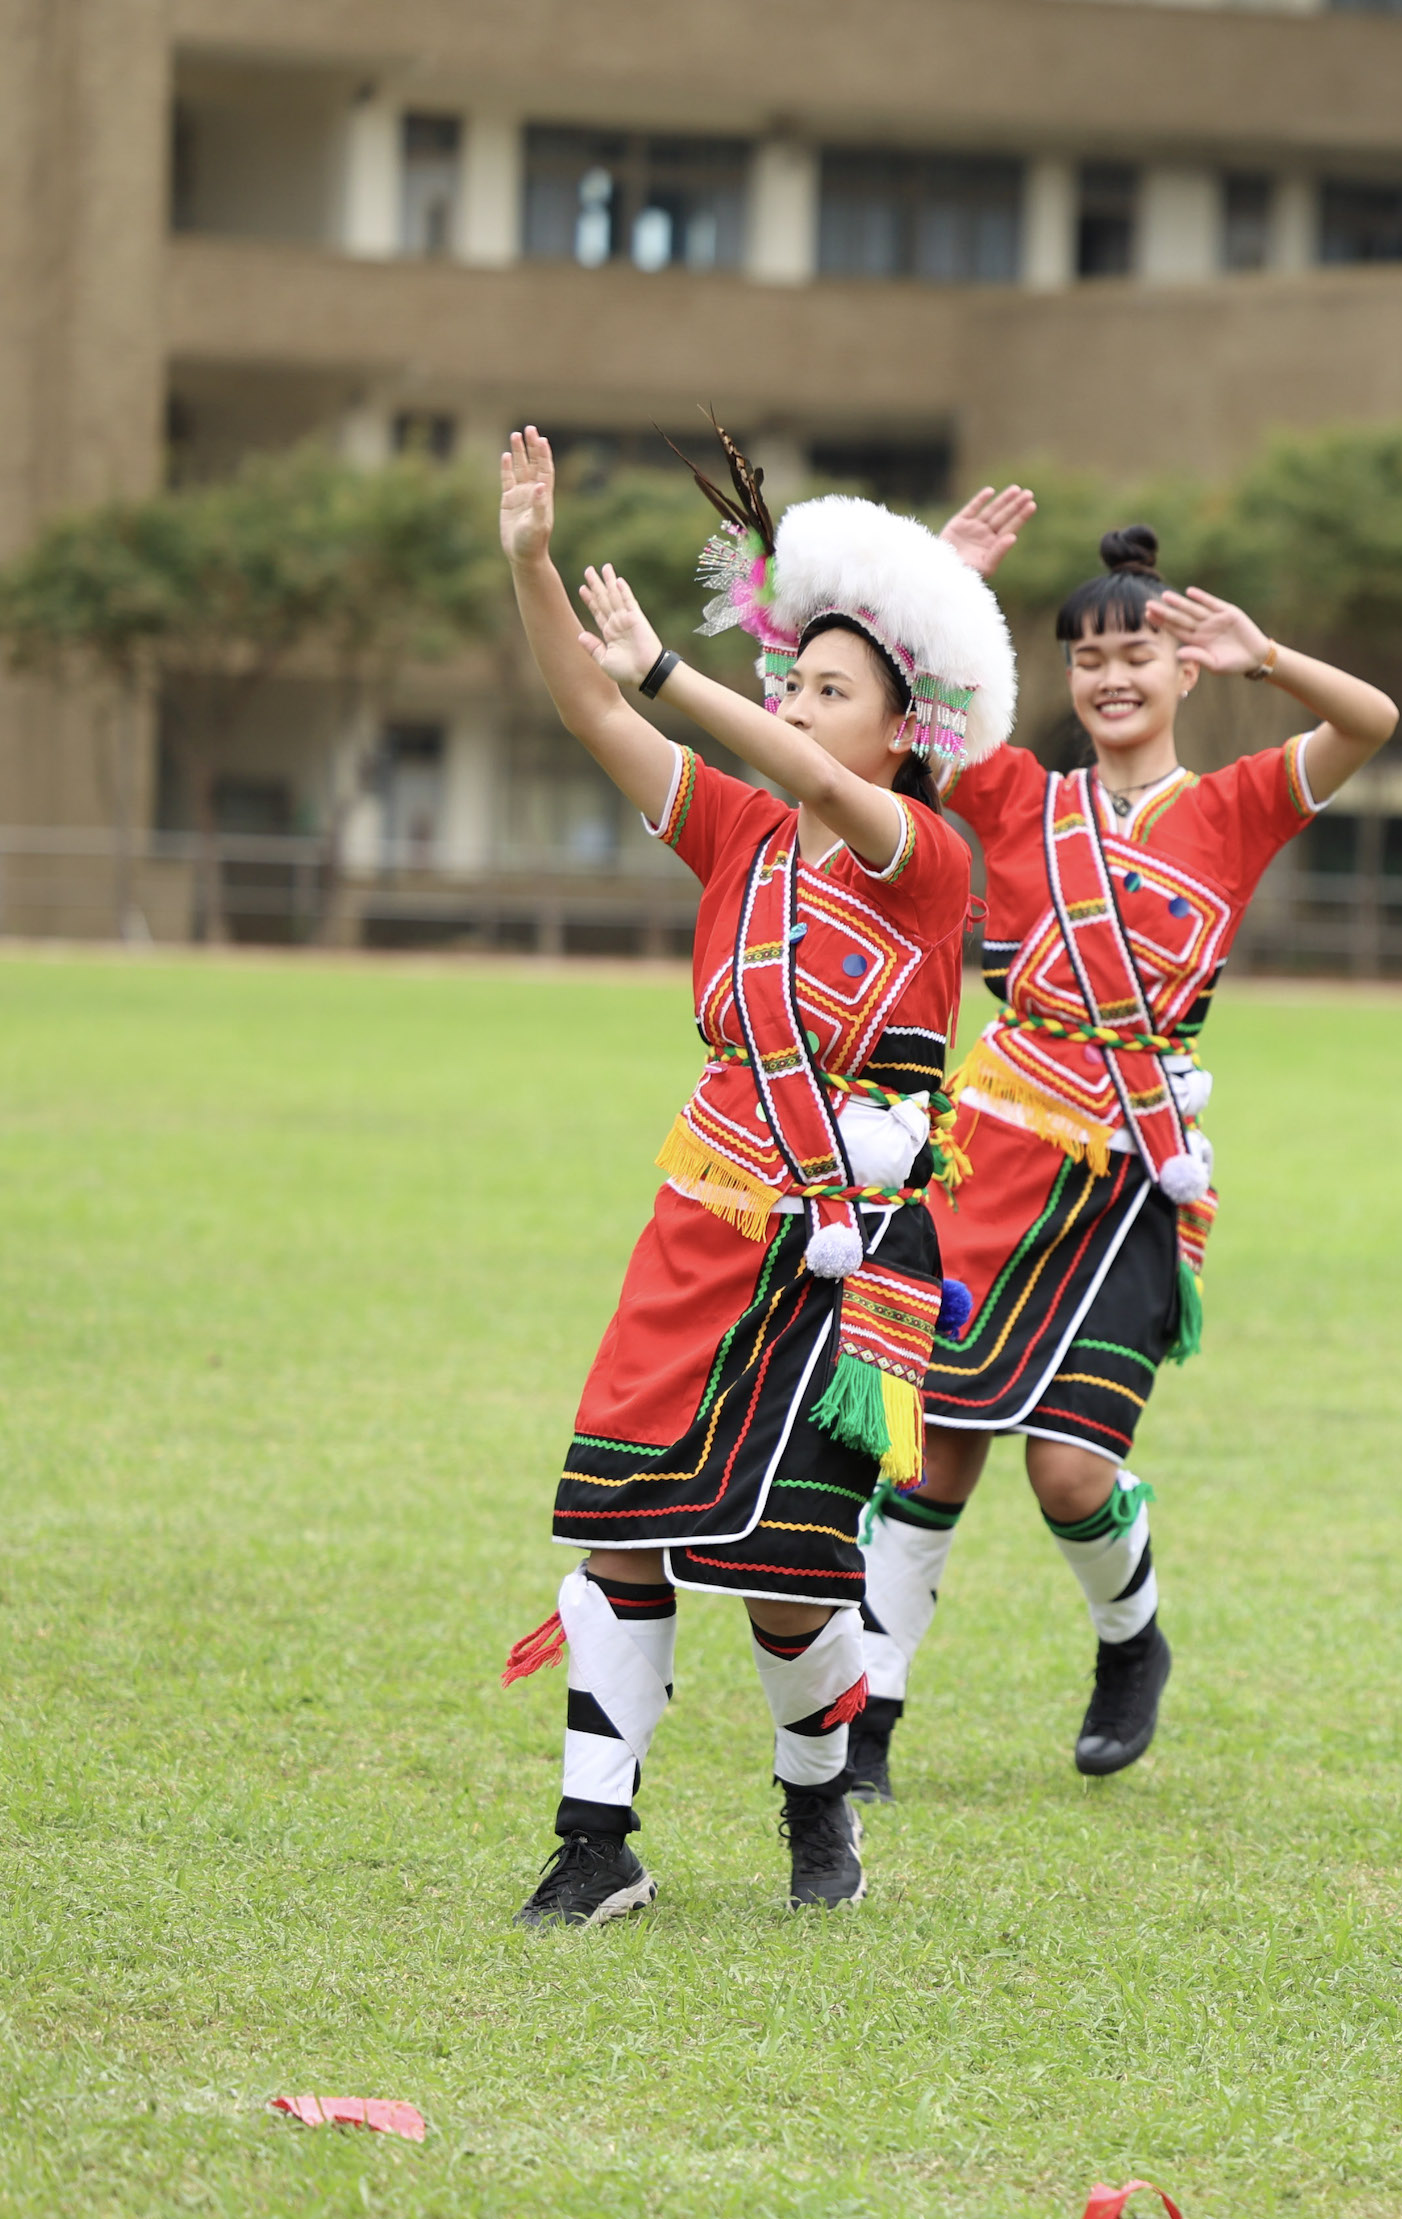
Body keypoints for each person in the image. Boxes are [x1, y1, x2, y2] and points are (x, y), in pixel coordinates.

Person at [493, 424, 1007, 1922]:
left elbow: (761, 751)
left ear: (905, 733)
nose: (793, 704)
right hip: (707, 1215)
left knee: (789, 1576)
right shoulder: (735, 832)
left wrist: (675, 673)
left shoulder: (923, 855)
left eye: (830, 690)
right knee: (617, 1529)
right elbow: (589, 707)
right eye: (794, 677)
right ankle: (596, 1844)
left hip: (858, 1252)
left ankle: (815, 1809)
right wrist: (529, 564)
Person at [846, 518, 1399, 1799]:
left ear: (1184, 668)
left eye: (1139, 651)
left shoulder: (1236, 807)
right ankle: (865, 1724)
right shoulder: (1012, 795)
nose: (1111, 675)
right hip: (988, 1155)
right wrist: (945, 577)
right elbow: (895, 706)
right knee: (928, 1452)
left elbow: (1367, 719)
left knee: (1069, 1469)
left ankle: (1129, 1641)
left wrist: (1270, 658)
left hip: (1136, 1175)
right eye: (1086, 655)